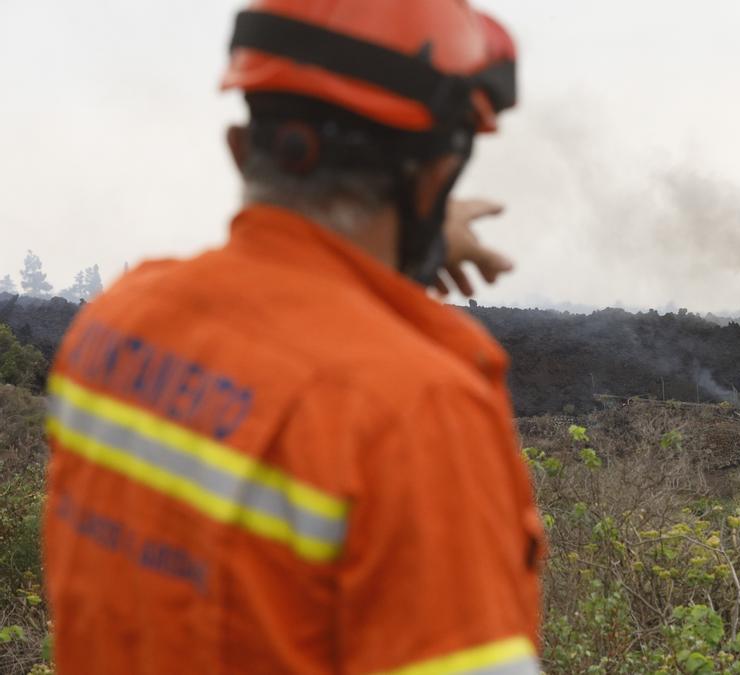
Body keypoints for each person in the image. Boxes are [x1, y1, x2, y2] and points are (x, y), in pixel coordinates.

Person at [41, 1, 544, 673]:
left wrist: (405, 245)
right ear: (434, 172)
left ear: (241, 149)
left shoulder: (114, 325)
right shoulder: (415, 412)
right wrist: (410, 229)